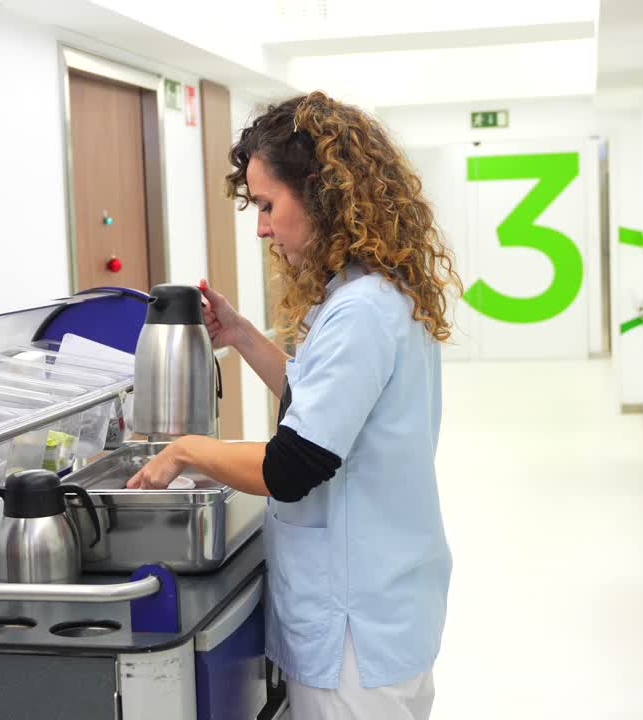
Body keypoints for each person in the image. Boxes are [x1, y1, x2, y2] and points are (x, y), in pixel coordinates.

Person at [126, 91, 462, 719]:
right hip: (388, 602)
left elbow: (292, 465)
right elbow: (324, 402)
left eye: (267, 205)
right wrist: (243, 336)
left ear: (323, 195)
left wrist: (187, 450)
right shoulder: (374, 292)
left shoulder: (359, 312)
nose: (260, 226)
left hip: (353, 630)